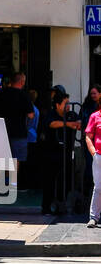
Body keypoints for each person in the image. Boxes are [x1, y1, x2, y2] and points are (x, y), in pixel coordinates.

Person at [40, 86, 80, 217]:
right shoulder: (51, 114)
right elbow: (51, 123)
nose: (68, 106)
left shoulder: (71, 114)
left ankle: (61, 204)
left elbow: (79, 122)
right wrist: (67, 124)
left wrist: (78, 122)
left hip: (67, 153)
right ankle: (46, 207)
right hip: (52, 153)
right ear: (57, 105)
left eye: (69, 103)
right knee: (50, 181)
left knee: (67, 179)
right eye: (65, 104)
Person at [0, 72, 32, 186]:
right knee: (16, 157)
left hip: (2, 130)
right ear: (22, 82)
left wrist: (0, 115)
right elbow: (31, 115)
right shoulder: (24, 95)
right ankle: (13, 182)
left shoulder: (1, 93)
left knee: (1, 155)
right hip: (19, 131)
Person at [84, 90, 101, 229]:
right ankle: (94, 217)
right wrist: (94, 153)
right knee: (99, 187)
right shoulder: (95, 116)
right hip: (99, 156)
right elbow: (88, 136)